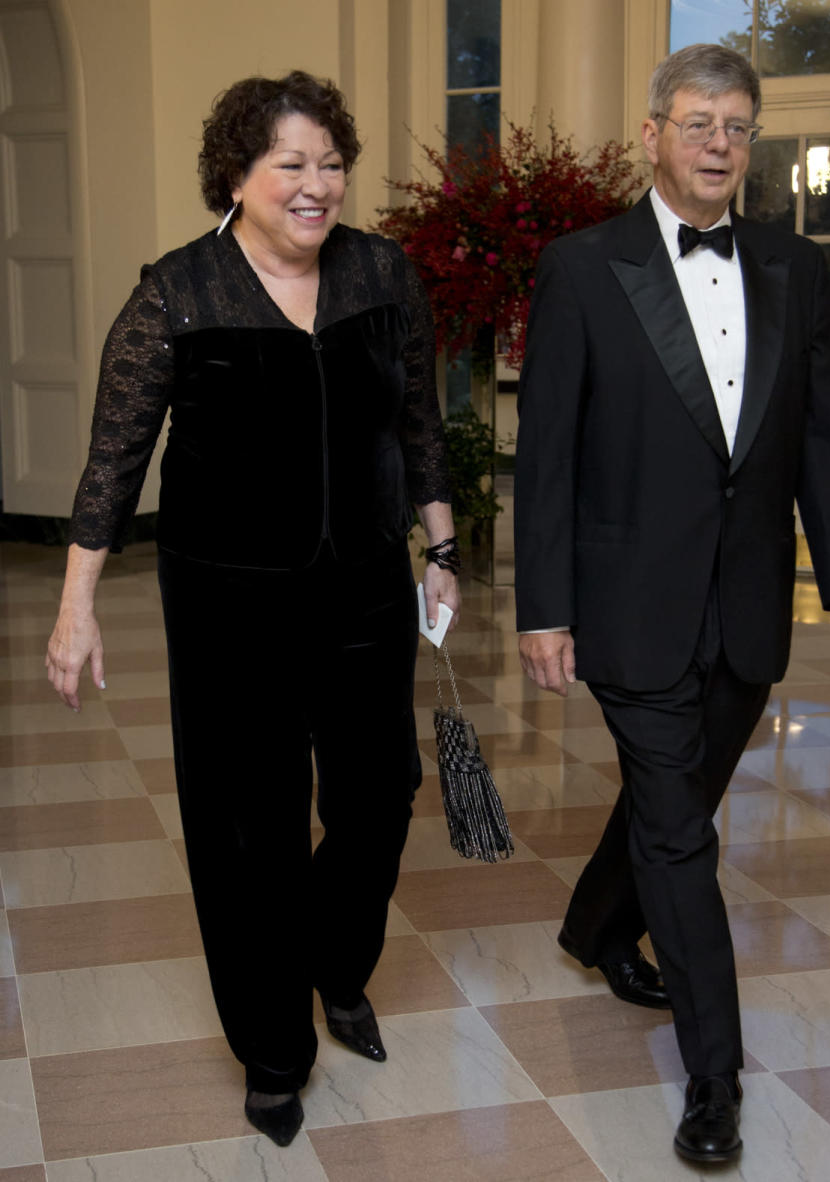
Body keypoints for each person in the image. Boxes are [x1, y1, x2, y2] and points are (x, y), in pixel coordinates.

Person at [45, 71, 460, 1148]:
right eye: (292, 164)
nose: (317, 184)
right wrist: (75, 607)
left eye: (330, 163)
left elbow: (419, 419)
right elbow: (111, 463)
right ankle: (273, 1048)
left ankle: (335, 964)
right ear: (236, 174)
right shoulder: (178, 293)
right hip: (227, 601)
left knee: (378, 795)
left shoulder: (380, 272)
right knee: (249, 829)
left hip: (365, 584)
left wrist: (443, 543)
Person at [514, 43, 830, 1165]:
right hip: (628, 602)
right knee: (681, 835)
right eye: (697, 123)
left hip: (749, 606)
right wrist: (544, 607)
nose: (719, 143)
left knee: (669, 800)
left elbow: (821, 436)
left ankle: (590, 926)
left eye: (736, 125)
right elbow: (547, 457)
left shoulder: (793, 265)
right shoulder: (581, 267)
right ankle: (713, 1077)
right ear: (652, 135)